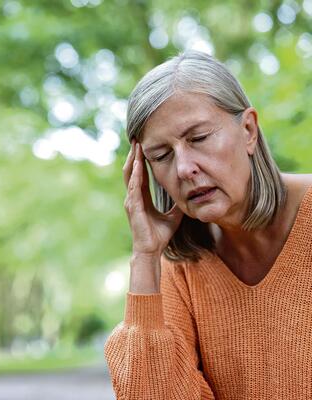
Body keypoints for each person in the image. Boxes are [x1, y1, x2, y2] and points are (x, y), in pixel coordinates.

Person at [103, 50, 312, 399]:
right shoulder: (179, 269)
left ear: (248, 130)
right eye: (162, 156)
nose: (184, 168)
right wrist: (145, 255)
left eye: (198, 138)